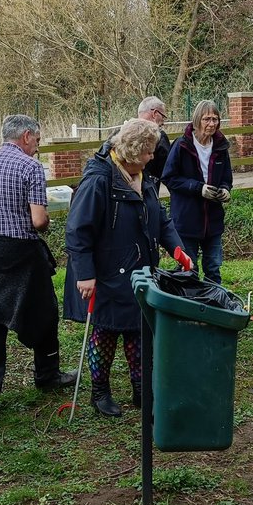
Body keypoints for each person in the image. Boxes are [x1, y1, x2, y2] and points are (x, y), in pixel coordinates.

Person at [64, 119, 186, 416]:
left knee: (139, 332)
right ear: (132, 152)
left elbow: (161, 217)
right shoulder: (99, 180)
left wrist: (177, 248)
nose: (153, 157)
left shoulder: (142, 177)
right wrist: (86, 274)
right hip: (106, 272)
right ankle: (100, 392)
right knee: (105, 333)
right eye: (148, 152)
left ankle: (142, 391)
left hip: (139, 271)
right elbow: (77, 230)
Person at [0, 115, 77, 426]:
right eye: (38, 141)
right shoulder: (30, 168)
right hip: (23, 252)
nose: (38, 148)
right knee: (44, 312)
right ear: (26, 136)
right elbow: (39, 220)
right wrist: (48, 222)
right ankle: (48, 374)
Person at [161, 99, 233, 284]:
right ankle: (188, 307)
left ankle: (214, 306)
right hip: (187, 219)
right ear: (197, 120)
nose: (212, 124)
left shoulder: (221, 146)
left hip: (213, 219)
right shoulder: (182, 145)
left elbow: (226, 177)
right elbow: (169, 178)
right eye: (207, 119)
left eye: (215, 119)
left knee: (214, 267)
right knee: (187, 269)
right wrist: (198, 188)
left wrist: (225, 189)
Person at [136, 96, 172, 180]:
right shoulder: (159, 137)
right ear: (155, 114)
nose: (163, 123)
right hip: (148, 190)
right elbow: (168, 173)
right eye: (163, 117)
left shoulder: (121, 134)